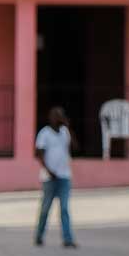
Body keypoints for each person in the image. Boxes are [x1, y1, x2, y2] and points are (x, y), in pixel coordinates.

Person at [35, 106, 76, 248]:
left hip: (64, 176)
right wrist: (49, 171)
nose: (58, 118)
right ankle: (39, 235)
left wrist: (69, 128)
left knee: (64, 208)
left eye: (61, 115)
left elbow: (75, 148)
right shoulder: (44, 133)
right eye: (56, 115)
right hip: (49, 177)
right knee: (45, 208)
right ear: (51, 117)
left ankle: (68, 239)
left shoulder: (65, 132)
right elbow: (39, 154)